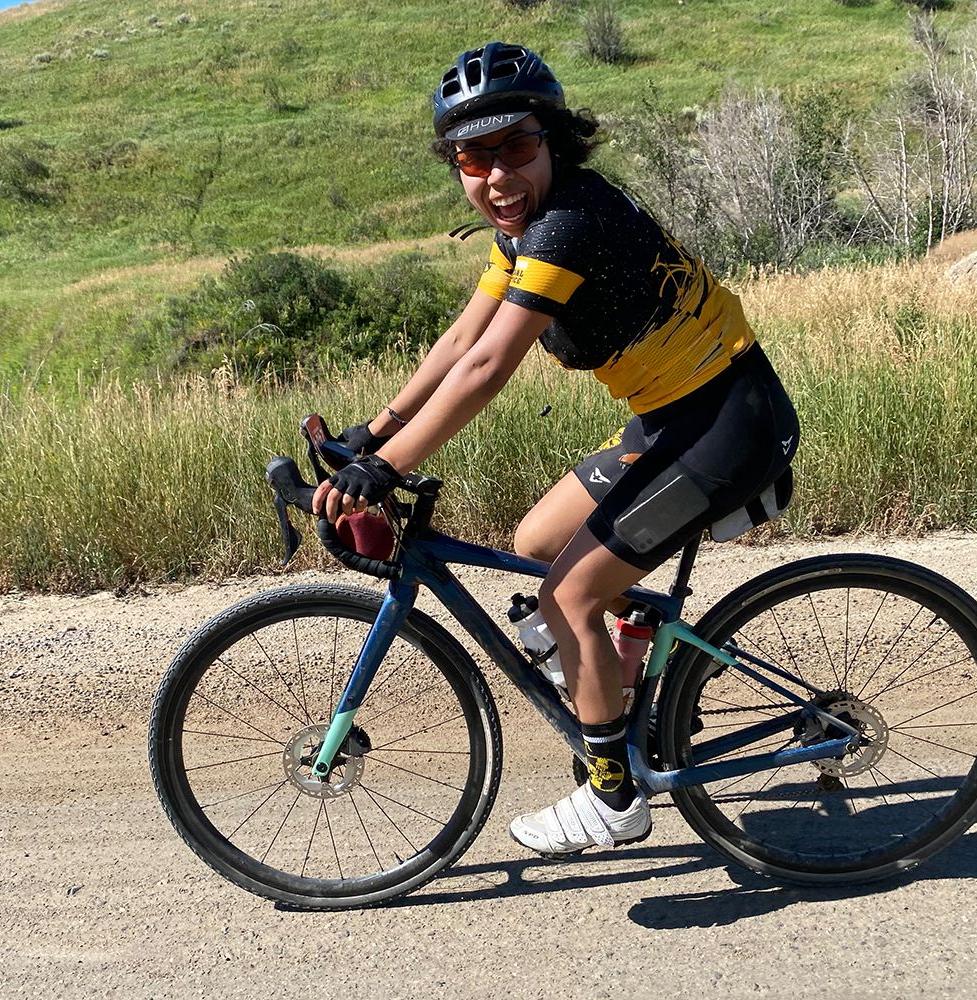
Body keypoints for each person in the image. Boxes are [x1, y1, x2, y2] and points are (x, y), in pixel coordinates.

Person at [312, 42, 799, 857]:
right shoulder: (524, 230)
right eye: (474, 158)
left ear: (554, 142)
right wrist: (376, 431)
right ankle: (654, 665)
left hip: (727, 425)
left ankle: (614, 799)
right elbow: (462, 340)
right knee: (538, 544)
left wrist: (384, 470)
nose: (497, 176)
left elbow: (488, 368)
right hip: (672, 420)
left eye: (516, 148)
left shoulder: (568, 224)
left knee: (568, 599)